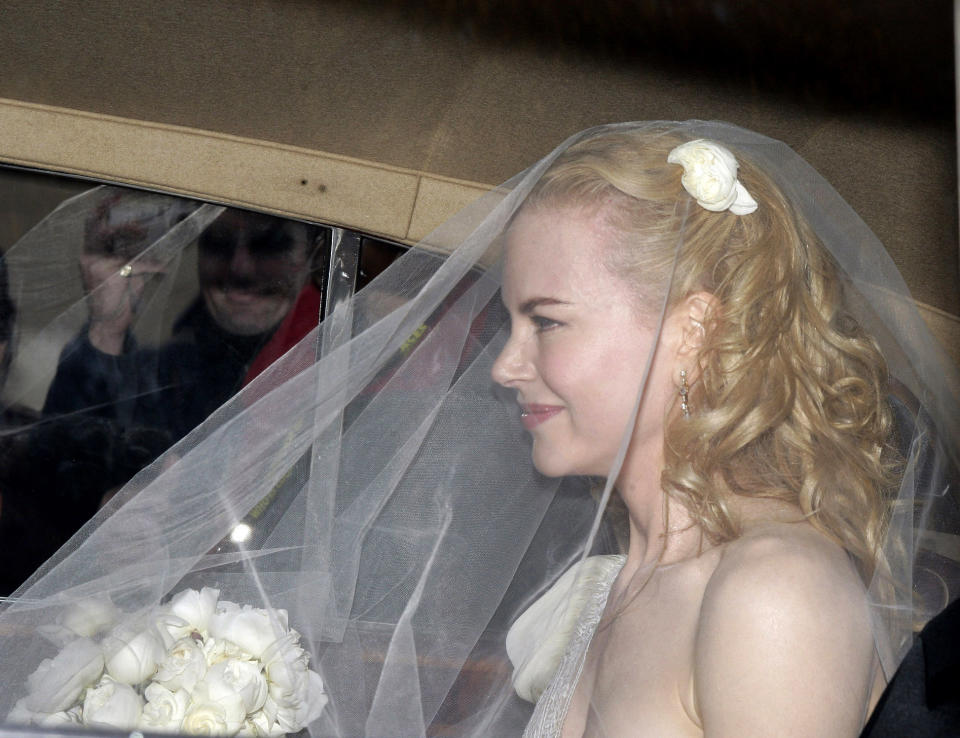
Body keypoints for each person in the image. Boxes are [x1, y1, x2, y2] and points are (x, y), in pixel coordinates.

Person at [0, 122, 955, 738]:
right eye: (509, 324)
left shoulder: (770, 593)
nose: (505, 364)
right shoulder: (613, 580)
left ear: (694, 329)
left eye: (548, 321)